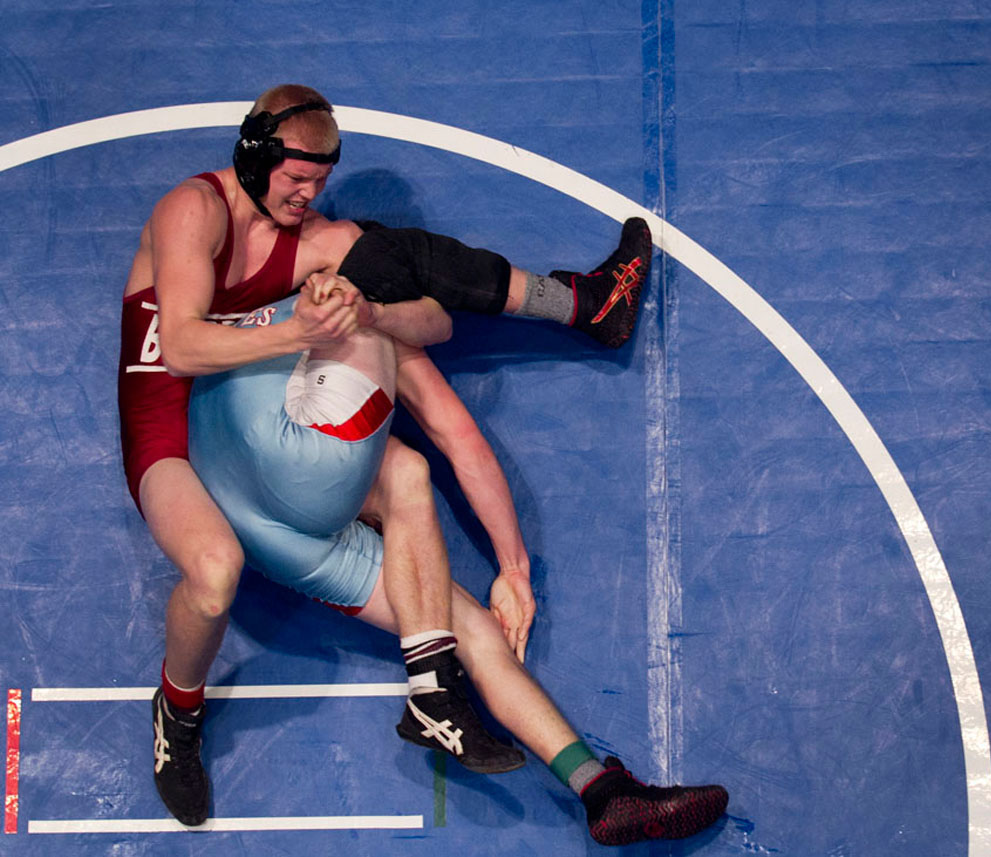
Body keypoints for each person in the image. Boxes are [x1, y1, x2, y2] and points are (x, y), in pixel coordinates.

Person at [118, 82, 652, 826]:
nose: (308, 195)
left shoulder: (332, 271)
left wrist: (515, 565)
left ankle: (599, 788)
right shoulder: (197, 211)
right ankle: (177, 715)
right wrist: (305, 333)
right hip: (171, 435)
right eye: (297, 179)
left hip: (281, 478)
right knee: (214, 574)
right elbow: (178, 345)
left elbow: (438, 350)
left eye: (321, 182)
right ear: (252, 156)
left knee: (455, 592)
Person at [186, 289, 729, 846]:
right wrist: (513, 567)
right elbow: (460, 439)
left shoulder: (285, 305)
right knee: (406, 469)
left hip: (248, 526)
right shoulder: (354, 309)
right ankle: (431, 692)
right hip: (293, 479)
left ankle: (601, 791)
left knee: (463, 629)